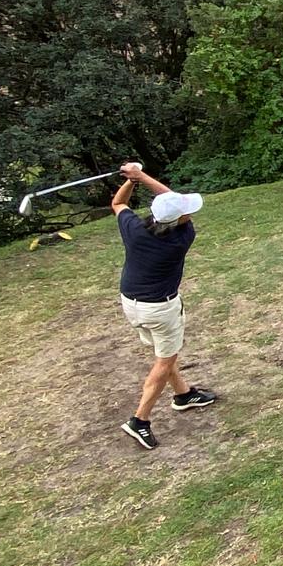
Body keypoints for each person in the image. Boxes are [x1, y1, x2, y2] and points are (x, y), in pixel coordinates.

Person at [113, 162, 215, 449]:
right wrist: (141, 176)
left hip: (131, 304)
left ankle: (183, 394)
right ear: (179, 219)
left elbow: (118, 202)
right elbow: (175, 202)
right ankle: (140, 420)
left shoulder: (135, 229)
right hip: (160, 309)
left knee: (164, 352)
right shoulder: (181, 238)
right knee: (165, 360)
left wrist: (131, 180)